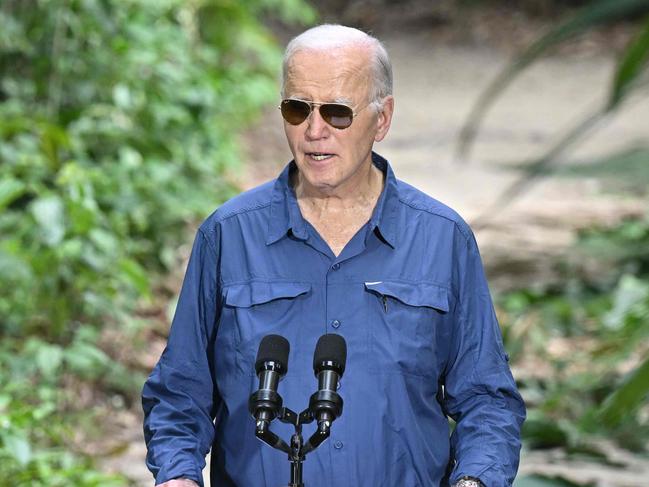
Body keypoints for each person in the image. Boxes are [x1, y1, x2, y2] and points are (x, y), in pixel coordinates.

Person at [142, 24, 526, 487]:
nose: (314, 130)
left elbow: (487, 399)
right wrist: (177, 476)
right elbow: (179, 393)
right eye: (297, 109)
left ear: (382, 119)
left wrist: (475, 481)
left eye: (338, 112)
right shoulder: (228, 236)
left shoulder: (442, 239)